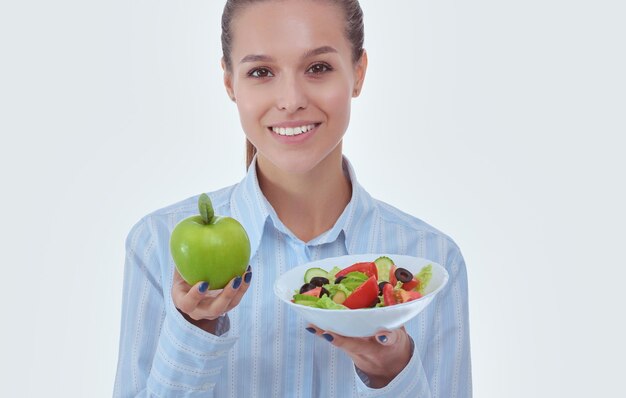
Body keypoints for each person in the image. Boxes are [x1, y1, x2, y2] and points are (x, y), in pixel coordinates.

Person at [114, 0, 472, 396]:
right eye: (261, 72)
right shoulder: (157, 245)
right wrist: (195, 332)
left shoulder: (432, 259)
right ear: (230, 82)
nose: (290, 100)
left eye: (318, 68)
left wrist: (392, 377)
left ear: (358, 72)